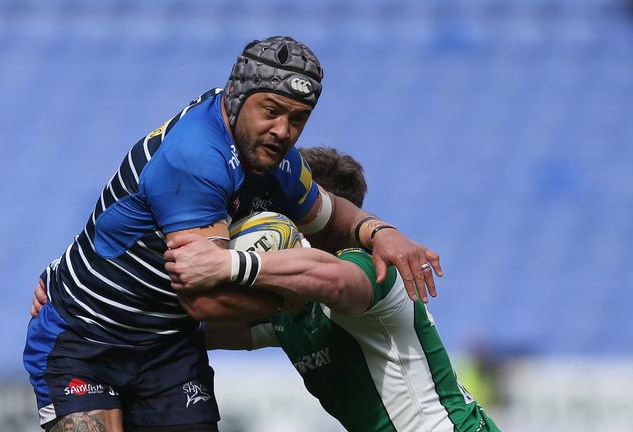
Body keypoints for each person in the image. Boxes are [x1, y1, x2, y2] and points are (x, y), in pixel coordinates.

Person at [24, 36, 441, 432]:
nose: (283, 130)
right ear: (237, 97)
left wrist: (380, 231)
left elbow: (333, 220)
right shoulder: (197, 155)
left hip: (168, 347)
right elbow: (205, 299)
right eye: (272, 110)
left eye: (298, 119)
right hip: (85, 339)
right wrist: (291, 293)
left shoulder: (278, 164)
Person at [164, 147, 500, 432]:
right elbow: (198, 329)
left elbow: (337, 283)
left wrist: (230, 264)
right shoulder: (291, 302)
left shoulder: (371, 266)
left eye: (297, 204)